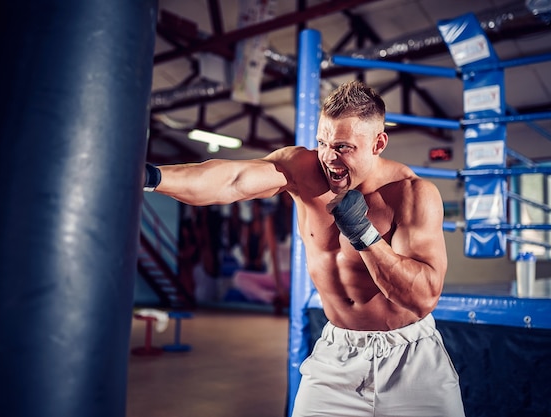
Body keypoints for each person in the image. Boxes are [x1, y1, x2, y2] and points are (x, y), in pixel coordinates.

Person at [143, 80, 465, 416]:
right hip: (337, 356)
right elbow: (231, 179)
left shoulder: (412, 194)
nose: (328, 157)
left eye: (343, 147)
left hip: (411, 360)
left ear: (378, 142)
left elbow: (423, 296)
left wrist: (363, 235)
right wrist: (149, 177)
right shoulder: (302, 170)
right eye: (322, 142)